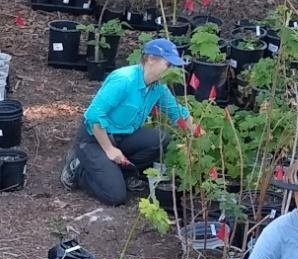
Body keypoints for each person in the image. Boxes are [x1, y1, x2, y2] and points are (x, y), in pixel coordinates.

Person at [61, 36, 201, 206]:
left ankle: (123, 174)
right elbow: (93, 117)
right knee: (115, 196)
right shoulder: (124, 80)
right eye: (168, 64)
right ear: (151, 59)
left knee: (160, 139)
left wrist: (198, 134)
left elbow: (176, 113)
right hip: (95, 139)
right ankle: (78, 169)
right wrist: (109, 149)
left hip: (123, 136)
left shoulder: (158, 87)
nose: (171, 69)